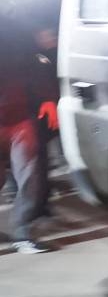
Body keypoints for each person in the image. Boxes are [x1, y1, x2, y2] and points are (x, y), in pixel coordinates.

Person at [0, 13, 58, 253]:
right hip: (14, 116)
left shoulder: (12, 29)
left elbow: (34, 64)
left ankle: (23, 234)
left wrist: (48, 99)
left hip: (20, 118)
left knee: (30, 177)